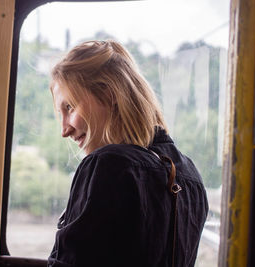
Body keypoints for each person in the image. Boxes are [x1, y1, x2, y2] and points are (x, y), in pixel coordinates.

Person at [47, 40, 208, 267]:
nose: (64, 129)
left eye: (70, 107)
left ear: (108, 94)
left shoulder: (108, 164)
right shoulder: (189, 174)